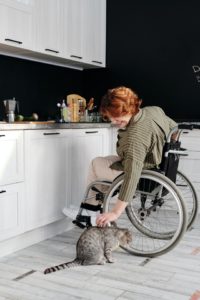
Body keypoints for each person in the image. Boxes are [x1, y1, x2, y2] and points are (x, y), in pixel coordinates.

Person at [72, 86, 177, 228]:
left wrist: (115, 212)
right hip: (156, 166)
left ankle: (89, 212)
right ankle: (93, 208)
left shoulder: (134, 137)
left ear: (128, 110)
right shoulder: (154, 111)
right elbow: (174, 127)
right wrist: (165, 150)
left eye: (117, 118)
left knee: (95, 164)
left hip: (142, 174)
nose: (114, 122)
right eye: (111, 117)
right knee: (105, 161)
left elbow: (132, 175)